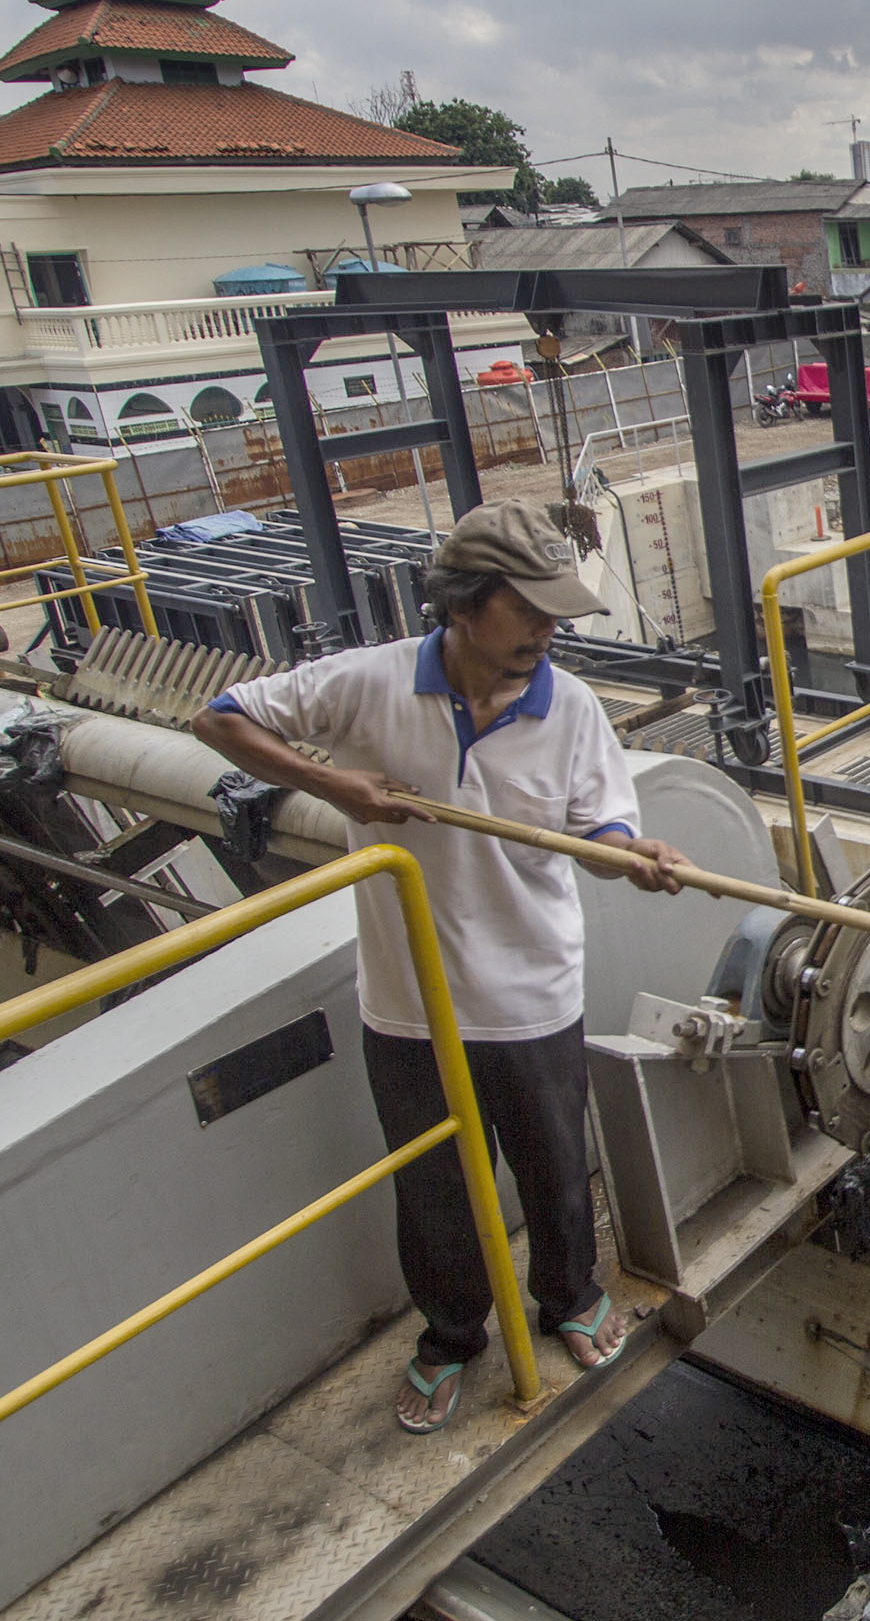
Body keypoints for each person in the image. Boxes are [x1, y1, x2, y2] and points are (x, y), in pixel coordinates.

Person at [193, 500, 692, 1433]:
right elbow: (217, 719)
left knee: (552, 1169)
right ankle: (452, 1334)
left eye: (555, 613)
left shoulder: (571, 707)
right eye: (530, 610)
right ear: (465, 605)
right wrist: (333, 783)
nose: (549, 631)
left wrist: (627, 853)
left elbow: (601, 826)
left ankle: (572, 1298)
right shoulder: (369, 687)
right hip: (409, 1004)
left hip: (534, 993)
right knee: (434, 1188)